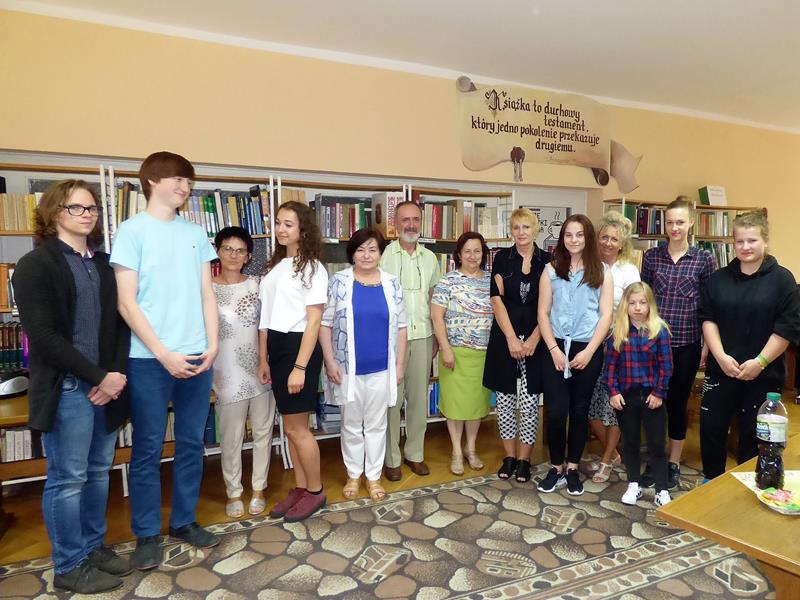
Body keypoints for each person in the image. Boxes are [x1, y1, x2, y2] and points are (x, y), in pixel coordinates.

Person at [13, 180, 130, 594]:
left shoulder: (105, 264)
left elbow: (120, 327)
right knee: (68, 478)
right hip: (67, 389)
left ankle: (93, 548)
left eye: (92, 208)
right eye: (76, 207)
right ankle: (68, 564)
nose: (86, 214)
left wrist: (114, 376)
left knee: (98, 472)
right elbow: (44, 337)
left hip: (106, 387)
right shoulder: (35, 265)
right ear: (53, 212)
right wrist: (99, 377)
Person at [112, 151, 220, 570]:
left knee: (192, 442)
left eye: (188, 181)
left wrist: (213, 345)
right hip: (149, 359)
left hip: (197, 355)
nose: (184, 187)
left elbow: (207, 295)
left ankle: (184, 521)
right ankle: (145, 534)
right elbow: (126, 303)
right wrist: (163, 353)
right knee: (148, 447)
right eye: (177, 179)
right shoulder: (131, 231)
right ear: (152, 181)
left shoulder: (195, 233)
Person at [698, 211, 800, 480]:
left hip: (764, 375)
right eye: (739, 241)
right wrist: (720, 356)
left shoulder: (783, 281)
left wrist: (760, 362)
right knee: (711, 430)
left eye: (752, 240)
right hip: (722, 371)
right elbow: (708, 319)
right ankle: (711, 482)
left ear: (765, 241)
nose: (745, 247)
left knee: (754, 437)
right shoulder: (718, 279)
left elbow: (786, 328)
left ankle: (750, 485)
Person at [320, 228, 407, 501]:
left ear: (381, 253)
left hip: (382, 368)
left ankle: (373, 477)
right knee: (351, 425)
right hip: (348, 369)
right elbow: (325, 324)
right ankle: (353, 474)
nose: (366, 255)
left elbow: (402, 327)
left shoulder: (392, 283)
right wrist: (330, 361)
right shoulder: (339, 282)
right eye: (360, 250)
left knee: (377, 425)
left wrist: (400, 365)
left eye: (372, 249)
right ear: (352, 254)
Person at [259, 200, 328, 521]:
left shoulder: (313, 267)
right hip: (277, 346)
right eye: (278, 222)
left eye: (288, 224)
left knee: (299, 429)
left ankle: (315, 491)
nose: (280, 229)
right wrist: (263, 358)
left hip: (299, 347)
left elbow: (314, 321)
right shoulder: (277, 266)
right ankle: (301, 488)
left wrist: (299, 367)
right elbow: (266, 317)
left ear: (303, 229)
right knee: (290, 428)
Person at [640, 196, 715, 489]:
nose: (674, 228)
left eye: (680, 222)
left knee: (677, 403)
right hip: (654, 345)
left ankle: (673, 462)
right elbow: (643, 301)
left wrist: (707, 344)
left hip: (687, 345)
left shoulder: (704, 259)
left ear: (690, 223)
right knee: (653, 402)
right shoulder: (652, 257)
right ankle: (655, 458)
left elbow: (709, 306)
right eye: (670, 222)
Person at [537, 214, 613, 496]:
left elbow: (606, 315)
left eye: (579, 234)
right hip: (555, 347)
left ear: (588, 237)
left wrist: (590, 351)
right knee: (556, 411)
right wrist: (554, 350)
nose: (574, 240)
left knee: (579, 411)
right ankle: (556, 466)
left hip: (587, 347)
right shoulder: (551, 270)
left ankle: (572, 467)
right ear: (562, 239)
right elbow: (543, 312)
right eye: (568, 235)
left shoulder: (602, 271)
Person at [482, 208, 551, 483]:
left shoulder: (548, 262)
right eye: (516, 228)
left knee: (530, 403)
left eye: (526, 227)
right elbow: (496, 299)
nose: (521, 233)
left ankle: (524, 459)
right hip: (504, 340)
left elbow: (551, 305)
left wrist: (534, 339)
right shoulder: (501, 258)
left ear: (535, 230)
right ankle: (509, 456)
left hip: (537, 341)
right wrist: (511, 338)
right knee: (506, 402)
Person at [212, 226, 275, 518]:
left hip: (260, 369)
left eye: (240, 251)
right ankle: (233, 491)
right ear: (218, 251)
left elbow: (266, 327)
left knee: (263, 432)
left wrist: (265, 361)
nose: (234, 255)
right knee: (231, 437)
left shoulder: (258, 285)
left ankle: (259, 488)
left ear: (249, 256)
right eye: (228, 249)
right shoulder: (207, 289)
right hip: (225, 373)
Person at [379, 201, 441, 480]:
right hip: (392, 340)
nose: (411, 225)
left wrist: (437, 336)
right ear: (395, 223)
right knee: (392, 401)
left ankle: (415, 454)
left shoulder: (430, 258)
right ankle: (391, 458)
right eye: (405, 220)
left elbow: (434, 298)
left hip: (424, 336)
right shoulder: (383, 256)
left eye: (416, 219)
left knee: (418, 400)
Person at [605, 282, 674, 507]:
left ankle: (662, 489)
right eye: (632, 303)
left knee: (656, 444)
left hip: (652, 397)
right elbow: (610, 367)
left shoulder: (659, 331)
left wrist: (659, 392)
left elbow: (666, 366)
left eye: (642, 303)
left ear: (650, 305)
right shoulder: (617, 332)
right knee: (630, 443)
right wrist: (613, 391)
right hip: (626, 397)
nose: (637, 308)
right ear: (625, 305)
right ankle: (634, 484)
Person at [431, 232, 493, 475]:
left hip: (483, 354)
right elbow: (437, 317)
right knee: (456, 406)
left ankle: (471, 449)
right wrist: (445, 348)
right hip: (455, 353)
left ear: (483, 254)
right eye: (467, 251)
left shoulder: (491, 281)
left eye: (477, 251)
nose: (472, 256)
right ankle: (457, 452)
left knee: (476, 405)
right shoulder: (447, 281)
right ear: (458, 254)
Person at [588, 211, 640, 483]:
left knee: (614, 405)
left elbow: (635, 308)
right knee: (588, 405)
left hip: (618, 344)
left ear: (622, 244)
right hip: (588, 343)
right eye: (604, 237)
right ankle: (616, 453)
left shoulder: (628, 270)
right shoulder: (589, 265)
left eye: (614, 239)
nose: (608, 243)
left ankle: (607, 459)